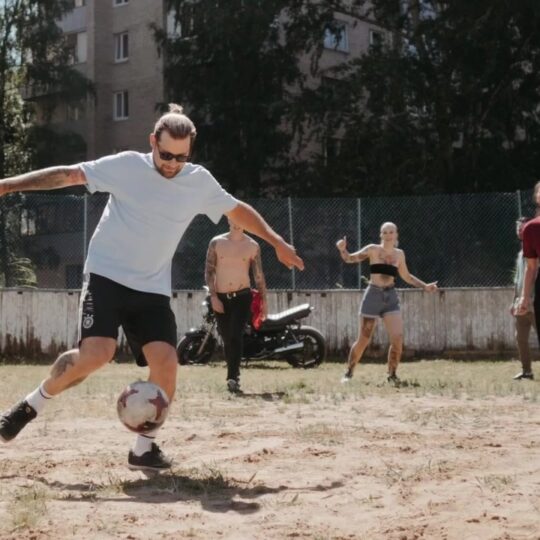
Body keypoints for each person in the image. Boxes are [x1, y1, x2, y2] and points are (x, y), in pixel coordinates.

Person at [0, 103, 304, 471]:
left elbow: (237, 210)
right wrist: (8, 185)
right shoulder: (127, 166)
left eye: (181, 156)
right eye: (165, 154)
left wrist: (276, 242)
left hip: (151, 287)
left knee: (166, 363)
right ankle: (32, 404)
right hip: (106, 274)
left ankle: (143, 448)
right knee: (97, 354)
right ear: (152, 143)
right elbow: (68, 175)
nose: (172, 163)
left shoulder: (198, 181)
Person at [336, 222, 438, 385]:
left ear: (396, 234)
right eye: (385, 232)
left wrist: (425, 286)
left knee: (397, 338)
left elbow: (407, 276)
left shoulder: (399, 254)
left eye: (391, 232)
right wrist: (342, 249)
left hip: (390, 297)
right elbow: (350, 259)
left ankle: (392, 374)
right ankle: (349, 372)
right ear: (381, 235)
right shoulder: (373, 250)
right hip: (373, 296)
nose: (388, 235)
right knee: (363, 339)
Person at [205, 218, 268, 394]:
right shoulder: (217, 242)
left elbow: (258, 275)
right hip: (221, 297)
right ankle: (232, 373)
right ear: (228, 220)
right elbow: (209, 271)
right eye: (233, 218)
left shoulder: (253, 245)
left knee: (235, 335)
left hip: (243, 296)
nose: (237, 222)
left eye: (240, 218)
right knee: (226, 338)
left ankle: (233, 377)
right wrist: (213, 297)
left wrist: (264, 301)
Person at [510, 217, 535, 380]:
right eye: (517, 226)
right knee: (520, 338)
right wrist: (515, 301)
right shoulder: (521, 253)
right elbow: (518, 279)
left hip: (533, 300)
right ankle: (527, 371)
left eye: (523, 225)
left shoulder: (535, 250)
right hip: (521, 302)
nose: (519, 229)